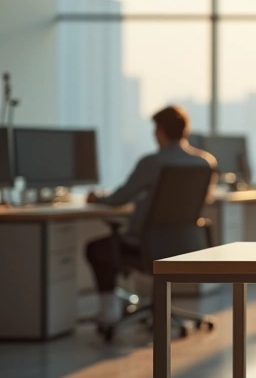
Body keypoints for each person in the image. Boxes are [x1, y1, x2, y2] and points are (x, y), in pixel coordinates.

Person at [84, 105, 216, 326]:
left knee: (96, 249)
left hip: (150, 247)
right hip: (187, 245)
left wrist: (97, 198)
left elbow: (119, 198)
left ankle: (109, 312)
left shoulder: (152, 162)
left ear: (159, 131)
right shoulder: (205, 162)